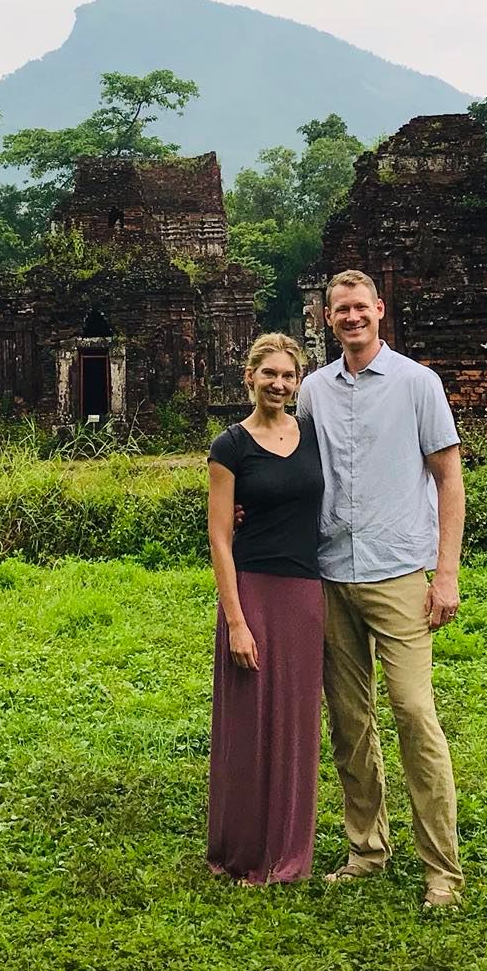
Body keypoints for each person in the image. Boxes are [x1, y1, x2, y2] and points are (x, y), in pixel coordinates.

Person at [296, 268, 466, 910]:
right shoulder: (314, 390)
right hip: (331, 571)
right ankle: (366, 849)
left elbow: (449, 479)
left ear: (379, 310)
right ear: (327, 317)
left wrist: (445, 574)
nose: (351, 317)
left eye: (360, 308)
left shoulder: (418, 383)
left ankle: (441, 870)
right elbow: (293, 465)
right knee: (349, 721)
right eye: (340, 309)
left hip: (398, 572)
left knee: (414, 714)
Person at [205, 332, 325, 885]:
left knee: (296, 723)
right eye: (269, 373)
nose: (279, 384)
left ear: (298, 383)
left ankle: (289, 850)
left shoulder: (314, 435)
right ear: (249, 377)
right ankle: (244, 848)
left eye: (288, 376)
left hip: (304, 592)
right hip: (251, 590)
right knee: (249, 721)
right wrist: (236, 621)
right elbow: (220, 537)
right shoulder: (230, 446)